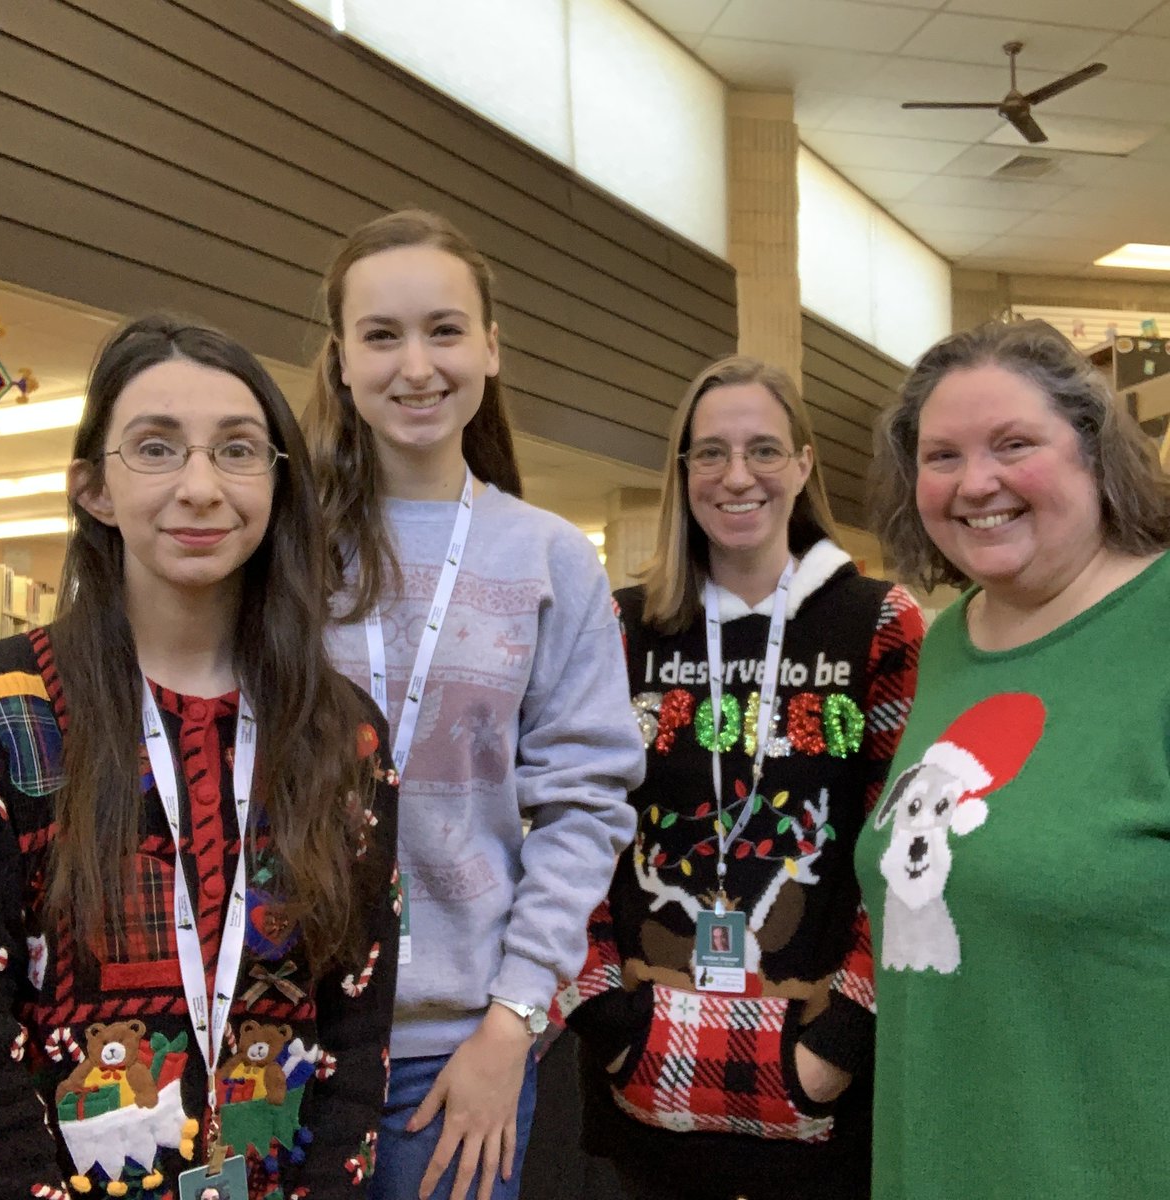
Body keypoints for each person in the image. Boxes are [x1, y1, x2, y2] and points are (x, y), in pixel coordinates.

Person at [0, 315, 399, 1200]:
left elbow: (357, 1031)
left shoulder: (341, 735)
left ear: (277, 485)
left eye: (237, 450)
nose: (200, 487)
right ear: (92, 488)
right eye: (156, 449)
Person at [304, 209, 644, 1200]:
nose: (416, 365)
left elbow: (586, 807)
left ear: (492, 347)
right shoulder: (283, 549)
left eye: (445, 330)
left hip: (456, 1045)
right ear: (339, 361)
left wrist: (514, 1022)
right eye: (381, 335)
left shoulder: (548, 557)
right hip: (277, 1033)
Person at [562, 356, 925, 1200]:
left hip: (821, 1066)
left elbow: (905, 846)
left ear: (802, 464)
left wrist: (840, 1043)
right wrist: (608, 1021)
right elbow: (570, 825)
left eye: (764, 450)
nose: (736, 476)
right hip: (644, 1054)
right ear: (682, 472)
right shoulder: (618, 627)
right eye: (710, 453)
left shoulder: (877, 625)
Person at [858, 319, 1170, 1199]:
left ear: (1094, 452)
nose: (976, 483)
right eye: (942, 455)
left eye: (1014, 445)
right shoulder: (951, 643)